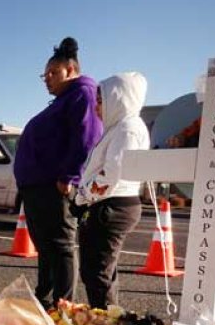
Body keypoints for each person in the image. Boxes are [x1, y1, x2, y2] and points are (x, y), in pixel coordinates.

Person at [13, 37, 103, 309]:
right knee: (46, 247)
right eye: (45, 74)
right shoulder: (62, 100)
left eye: (54, 73)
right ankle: (45, 296)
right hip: (37, 186)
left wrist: (69, 177)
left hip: (54, 186)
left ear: (71, 70)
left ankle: (62, 305)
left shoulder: (82, 94)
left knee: (60, 246)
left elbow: (87, 137)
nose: (47, 78)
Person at [74, 73, 149, 308]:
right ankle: (105, 320)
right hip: (110, 203)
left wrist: (81, 197)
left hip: (112, 205)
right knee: (100, 270)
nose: (96, 107)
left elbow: (110, 175)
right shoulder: (121, 127)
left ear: (119, 99)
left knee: (98, 273)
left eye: (100, 100)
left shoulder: (127, 129)